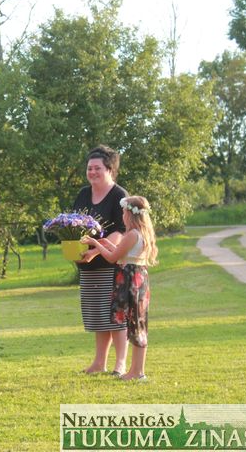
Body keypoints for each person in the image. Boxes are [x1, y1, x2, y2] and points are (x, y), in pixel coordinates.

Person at [81, 196, 157, 381]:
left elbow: (113, 257)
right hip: (139, 279)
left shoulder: (131, 235)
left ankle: (137, 372)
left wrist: (95, 244)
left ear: (130, 214)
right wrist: (105, 243)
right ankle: (135, 370)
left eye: (123, 212)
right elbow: (120, 250)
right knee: (137, 323)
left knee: (134, 324)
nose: (122, 216)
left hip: (129, 281)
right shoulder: (142, 234)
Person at [73, 145, 129, 376]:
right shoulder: (83, 194)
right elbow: (73, 225)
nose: (92, 172)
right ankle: (99, 363)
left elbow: (121, 232)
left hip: (112, 263)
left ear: (110, 170)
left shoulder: (119, 196)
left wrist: (96, 250)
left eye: (97, 168)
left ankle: (120, 363)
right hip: (88, 265)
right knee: (98, 314)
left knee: (115, 316)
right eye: (89, 168)